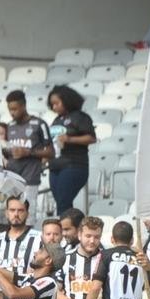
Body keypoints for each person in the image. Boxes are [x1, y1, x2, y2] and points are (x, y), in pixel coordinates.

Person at [81, 221, 149, 299]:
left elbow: (96, 287)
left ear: (112, 239)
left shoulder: (105, 255)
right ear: (132, 240)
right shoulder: (141, 258)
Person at [46, 85, 97, 214]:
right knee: (61, 202)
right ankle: (69, 223)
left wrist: (70, 139)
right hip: (55, 166)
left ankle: (66, 225)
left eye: (57, 103)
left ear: (67, 101)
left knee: (63, 202)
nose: (54, 107)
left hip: (73, 165)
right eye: (52, 105)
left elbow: (91, 138)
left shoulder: (80, 117)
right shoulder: (56, 120)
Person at [4, 89, 54, 211]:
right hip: (11, 177)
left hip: (30, 177)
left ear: (23, 106)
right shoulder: (10, 126)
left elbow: (51, 152)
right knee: (11, 213)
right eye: (10, 109)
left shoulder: (39, 124)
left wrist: (28, 152)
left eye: (15, 109)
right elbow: (7, 151)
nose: (12, 113)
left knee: (28, 213)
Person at [55, 215, 103, 299]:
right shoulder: (65, 259)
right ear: (79, 235)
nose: (92, 241)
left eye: (96, 237)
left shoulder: (106, 260)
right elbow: (54, 292)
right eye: (88, 236)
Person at [0, 196, 40, 275]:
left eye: (20, 210)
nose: (16, 214)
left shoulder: (38, 238)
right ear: (6, 213)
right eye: (12, 210)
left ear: (27, 214)